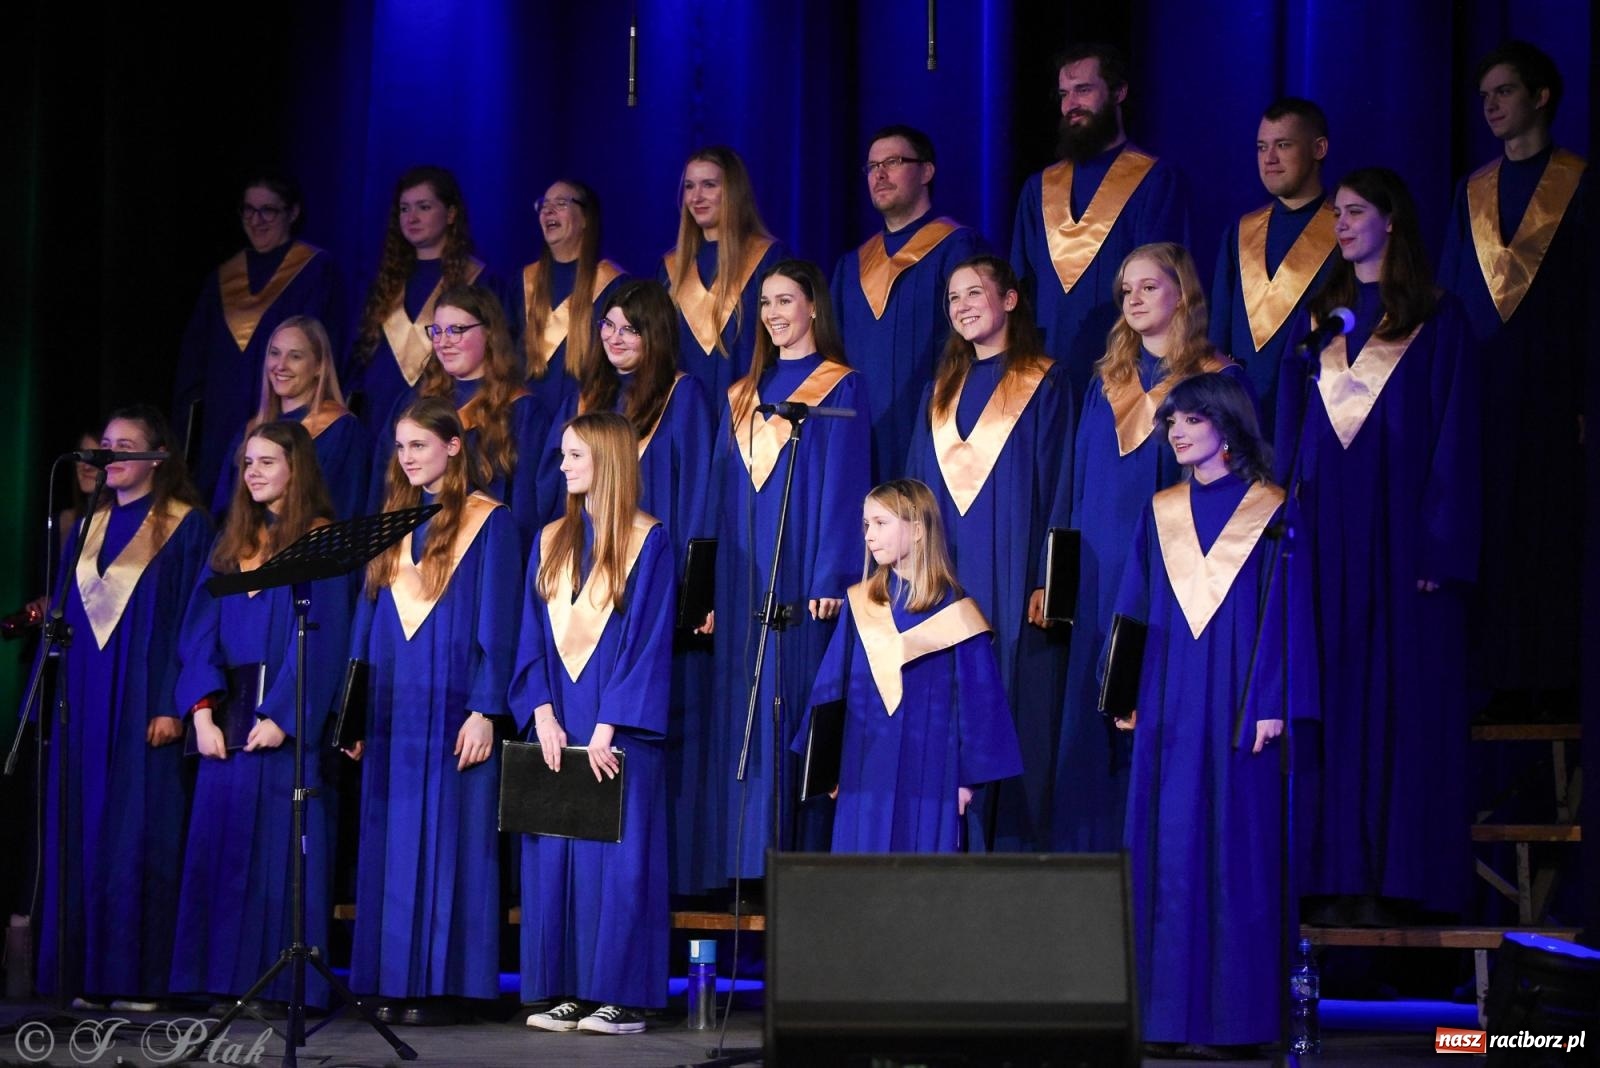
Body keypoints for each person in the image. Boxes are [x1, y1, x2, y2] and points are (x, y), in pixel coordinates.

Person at [1278, 167, 1480, 923]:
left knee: (1399, 701)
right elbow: (1291, 432)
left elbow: (1456, 441)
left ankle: (1403, 883)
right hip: (1326, 539)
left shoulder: (1437, 316)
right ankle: (1329, 876)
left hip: (1401, 543)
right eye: (1337, 213)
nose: (1343, 224)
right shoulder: (1322, 321)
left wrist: (1440, 546)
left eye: (1356, 211)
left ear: (1393, 220)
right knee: (1332, 695)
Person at [1113, 372, 1290, 1059]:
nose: (1177, 431)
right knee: (1171, 845)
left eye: (1190, 419)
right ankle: (1165, 1019)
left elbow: (1285, 613)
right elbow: (1133, 603)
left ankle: (1235, 1020)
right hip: (1168, 696)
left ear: (1226, 423)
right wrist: (1122, 692)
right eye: (1171, 423)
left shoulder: (1270, 510)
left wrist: (1273, 699)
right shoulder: (1161, 510)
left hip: (1242, 698)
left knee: (1233, 846)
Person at [1052, 242, 1243, 853]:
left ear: (1182, 293)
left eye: (1148, 287)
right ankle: (1093, 862)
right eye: (1126, 291)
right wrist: (1055, 583)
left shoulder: (1216, 382)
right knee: (1098, 710)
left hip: (1170, 574)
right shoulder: (1106, 383)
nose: (1133, 299)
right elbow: (1072, 488)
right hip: (1099, 570)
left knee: (1153, 703)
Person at [539, 280, 718, 893]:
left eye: (629, 327)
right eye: (607, 326)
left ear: (656, 334)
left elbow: (695, 496)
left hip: (650, 585)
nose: (615, 338)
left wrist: (695, 598)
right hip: (582, 584)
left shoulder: (682, 397)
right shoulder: (589, 399)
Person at [345, 397, 519, 1024]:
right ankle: (391, 978)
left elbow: (500, 625)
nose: (407, 457)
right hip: (394, 712)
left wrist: (485, 709)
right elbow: (366, 626)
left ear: (452, 446)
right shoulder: (392, 521)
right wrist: (354, 715)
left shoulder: (489, 522)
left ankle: (450, 985)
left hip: (454, 713)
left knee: (454, 843)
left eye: (419, 445)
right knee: (389, 840)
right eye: (400, 447)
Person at [171, 421, 349, 1009]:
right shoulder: (230, 545)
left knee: (278, 860)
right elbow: (197, 634)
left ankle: (280, 986)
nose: (253, 474)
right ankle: (218, 981)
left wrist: (284, 716)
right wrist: (200, 712)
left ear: (296, 469)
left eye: (267, 463)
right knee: (219, 857)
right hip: (225, 730)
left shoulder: (319, 540)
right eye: (247, 464)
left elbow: (322, 640)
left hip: (278, 731)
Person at [1438, 41, 1591, 718]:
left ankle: (1555, 674)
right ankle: (1493, 672)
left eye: (1504, 91)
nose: (1492, 106)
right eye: (1486, 96)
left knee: (1549, 530)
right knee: (1491, 527)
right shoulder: (1472, 192)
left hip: (1556, 391)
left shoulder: (1580, 186)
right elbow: (1449, 295)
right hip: (1484, 393)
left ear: (1541, 96)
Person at [707, 260, 871, 883]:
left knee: (792, 707)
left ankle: (793, 867)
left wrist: (832, 576)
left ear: (812, 308)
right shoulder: (744, 392)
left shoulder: (840, 386)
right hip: (742, 581)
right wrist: (712, 586)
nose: (774, 314)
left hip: (803, 581)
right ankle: (744, 867)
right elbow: (721, 497)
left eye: (785, 301)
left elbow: (846, 486)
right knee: (743, 715)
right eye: (766, 304)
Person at [40, 404, 210, 1007]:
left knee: (141, 834)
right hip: (83, 703)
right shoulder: (86, 526)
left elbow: (191, 622)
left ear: (157, 457)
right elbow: (62, 619)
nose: (110, 455)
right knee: (84, 830)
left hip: (145, 701)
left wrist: (172, 700)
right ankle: (83, 977)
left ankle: (142, 980)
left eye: (125, 444)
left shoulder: (185, 526)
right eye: (105, 444)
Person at [512, 412, 676, 1035]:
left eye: (574, 456)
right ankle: (571, 991)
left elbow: (648, 642)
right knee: (559, 859)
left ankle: (623, 997)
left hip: (618, 731)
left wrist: (608, 728)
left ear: (606, 460)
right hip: (559, 725)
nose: (562, 467)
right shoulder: (550, 538)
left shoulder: (648, 540)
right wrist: (543, 715)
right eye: (561, 455)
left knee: (619, 859)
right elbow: (531, 636)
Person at [905, 255, 1073, 851]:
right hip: (949, 572)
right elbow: (915, 492)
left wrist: (1048, 580)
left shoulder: (1044, 383)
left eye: (975, 292)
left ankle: (1012, 855)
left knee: (1012, 698)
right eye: (953, 298)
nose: (963, 306)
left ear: (1009, 300)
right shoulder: (937, 392)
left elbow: (1060, 487)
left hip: (1016, 572)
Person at [796, 478, 1023, 852]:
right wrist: (825, 766)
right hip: (862, 765)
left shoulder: (958, 615)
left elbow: (981, 706)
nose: (870, 535)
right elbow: (830, 687)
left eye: (882, 523)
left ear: (918, 529)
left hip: (932, 771)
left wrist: (968, 781)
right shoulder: (860, 606)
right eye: (866, 524)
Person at [1011, 42, 1189, 400]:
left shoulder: (1155, 181)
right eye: (1064, 94)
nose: (1070, 105)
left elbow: (1168, 289)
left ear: (1119, 92)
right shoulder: (1039, 189)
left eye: (1084, 90)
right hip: (1046, 378)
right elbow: (1021, 288)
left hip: (1126, 375)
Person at [175, 174, 342, 502]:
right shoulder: (223, 277)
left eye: (268, 211)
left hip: (288, 415)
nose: (256, 220)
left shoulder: (315, 270)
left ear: (292, 213)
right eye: (248, 210)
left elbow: (321, 347)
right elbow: (195, 359)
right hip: (223, 422)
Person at [831, 126, 983, 480]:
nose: (879, 174)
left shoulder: (957, 248)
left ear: (927, 171)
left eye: (893, 162)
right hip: (861, 434)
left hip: (935, 425)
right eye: (871, 167)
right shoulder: (850, 266)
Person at [1209, 98, 1338, 433]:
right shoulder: (1240, 232)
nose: (1269, 159)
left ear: (1319, 148)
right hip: (1242, 421)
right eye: (1261, 147)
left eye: (1283, 145)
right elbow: (1218, 337)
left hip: (1314, 413)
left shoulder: (1344, 232)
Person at [348, 166, 495, 443]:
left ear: (451, 214)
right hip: (376, 417)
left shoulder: (477, 280)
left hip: (439, 416)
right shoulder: (386, 282)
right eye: (404, 209)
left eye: (423, 207)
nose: (411, 217)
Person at [404, 284, 552, 556]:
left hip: (483, 556)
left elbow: (527, 509)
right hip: (419, 556)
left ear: (489, 333)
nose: (443, 341)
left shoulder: (523, 412)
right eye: (437, 331)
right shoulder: (417, 405)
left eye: (456, 330)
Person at [660, 146, 787, 404]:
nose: (696, 197)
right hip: (685, 414)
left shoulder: (768, 259)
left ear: (733, 192)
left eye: (709, 185)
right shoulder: (671, 269)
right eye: (689, 186)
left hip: (750, 412)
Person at [211, 315, 370, 520]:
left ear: (319, 367)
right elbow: (226, 509)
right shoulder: (250, 430)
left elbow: (345, 508)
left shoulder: (341, 430)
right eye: (275, 353)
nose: (281, 365)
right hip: (248, 548)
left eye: (295, 356)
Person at [510, 180, 628, 418]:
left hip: (585, 419)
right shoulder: (523, 282)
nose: (548, 210)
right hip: (525, 422)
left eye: (561, 203)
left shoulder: (613, 285)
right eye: (544, 204)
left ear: (585, 219)